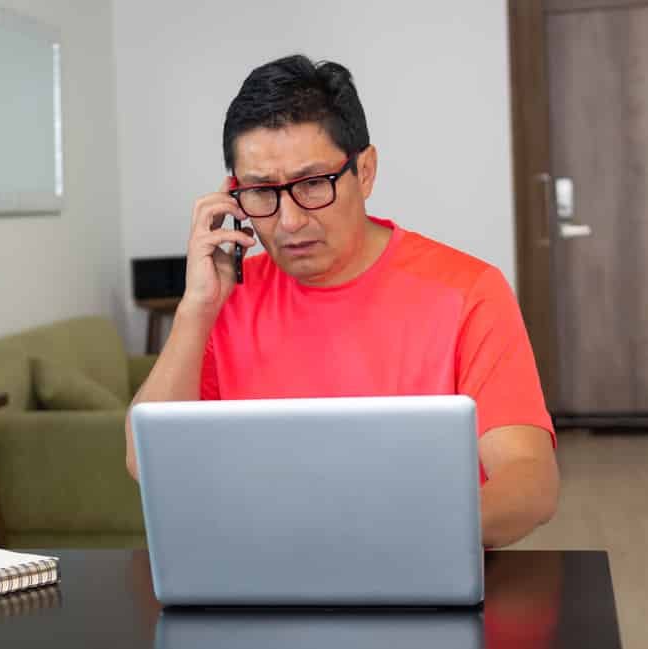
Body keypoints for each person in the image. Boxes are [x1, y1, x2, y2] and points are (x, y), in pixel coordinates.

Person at [124, 54, 558, 548]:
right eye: (262, 192)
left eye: (312, 184)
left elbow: (531, 481)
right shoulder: (225, 300)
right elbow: (146, 464)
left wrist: (398, 538)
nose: (288, 221)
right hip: (262, 573)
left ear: (365, 171)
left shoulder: (468, 291)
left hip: (420, 565)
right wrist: (195, 309)